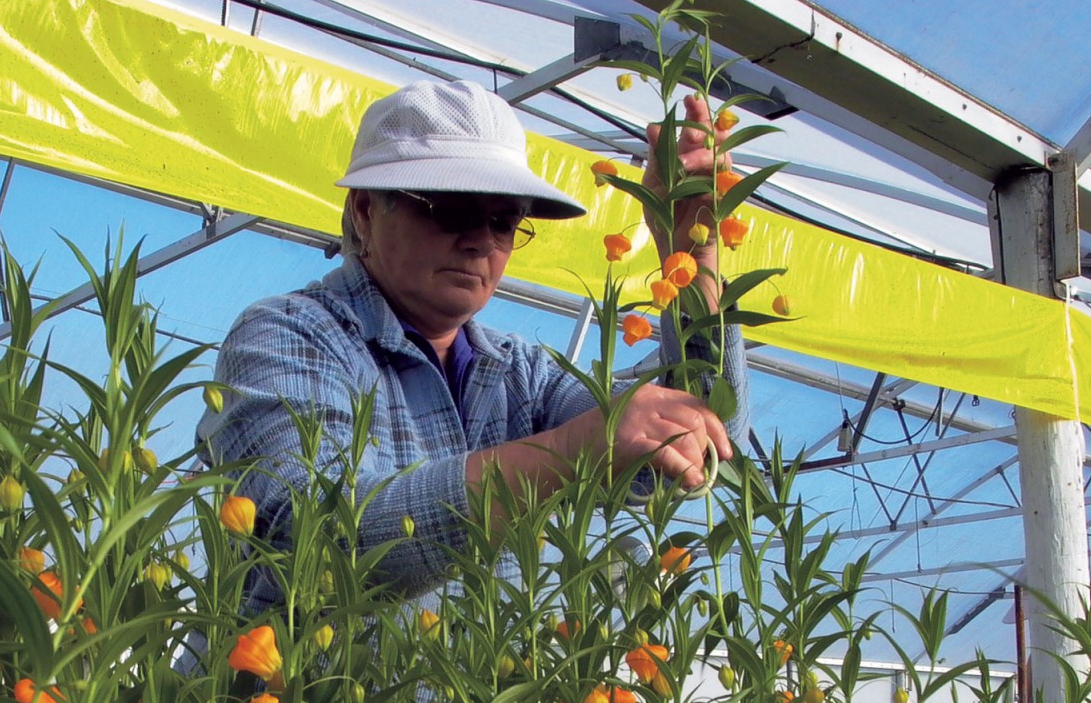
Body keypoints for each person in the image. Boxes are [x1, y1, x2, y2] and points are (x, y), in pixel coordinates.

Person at [197, 79, 748, 614]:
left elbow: (701, 441)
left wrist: (691, 257)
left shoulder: (522, 373)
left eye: (504, 222)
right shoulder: (289, 336)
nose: (481, 240)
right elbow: (311, 538)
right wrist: (568, 450)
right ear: (366, 210)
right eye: (451, 209)